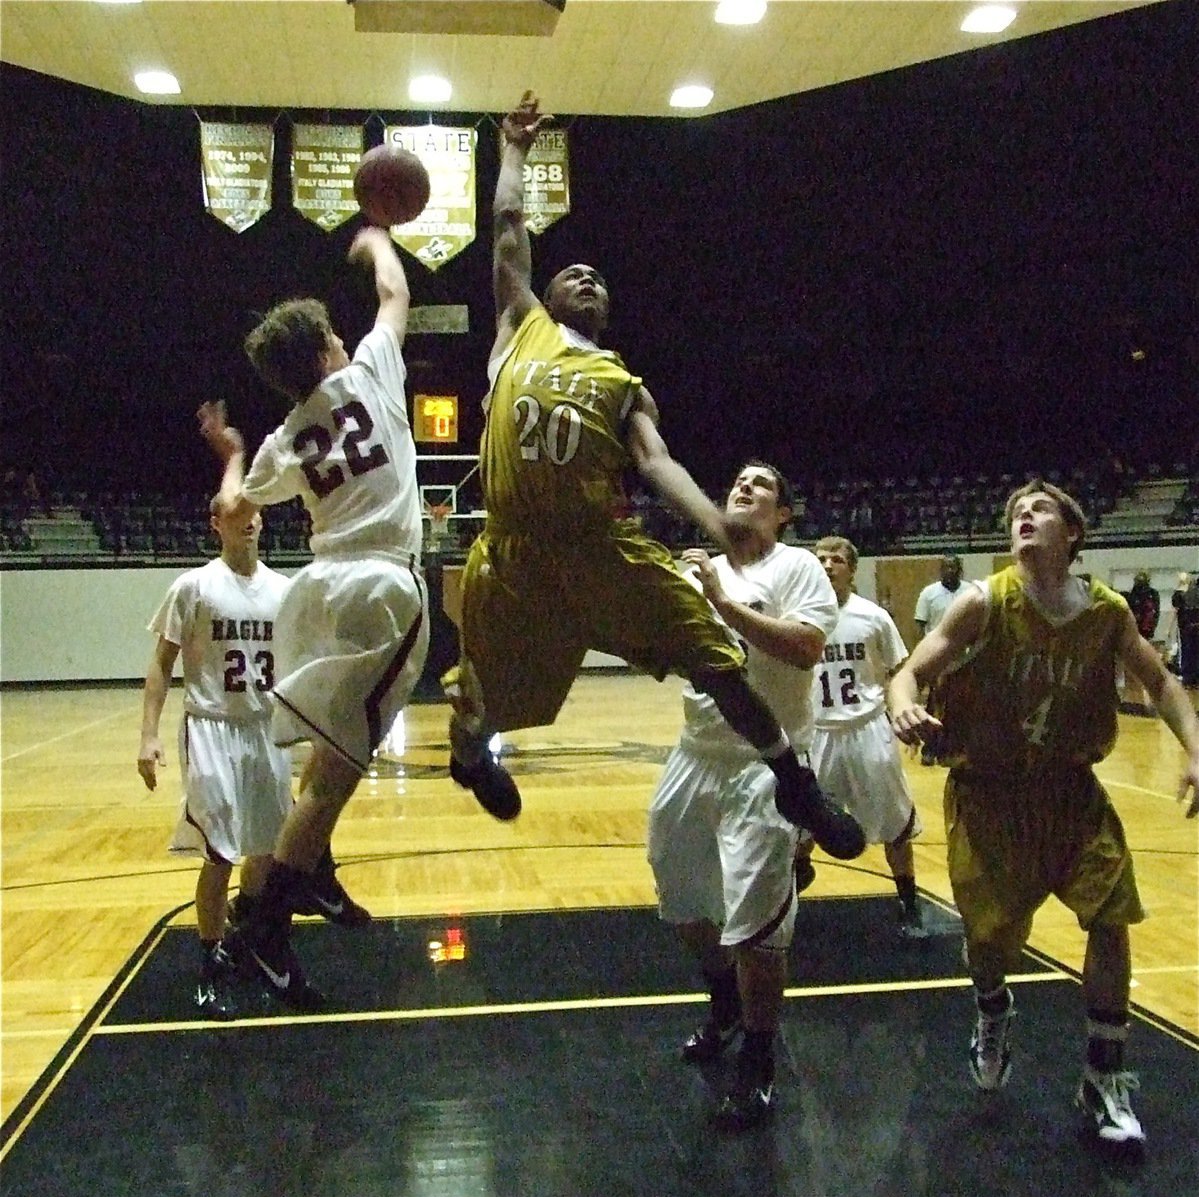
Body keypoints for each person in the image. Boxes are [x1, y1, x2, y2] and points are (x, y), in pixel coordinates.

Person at [442, 92, 863, 866]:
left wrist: (715, 523)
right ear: (543, 295)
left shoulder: (622, 382)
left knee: (713, 653)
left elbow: (655, 461)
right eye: (572, 273)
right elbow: (506, 226)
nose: (586, 277)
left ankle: (794, 782)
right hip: (513, 554)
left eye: (598, 279)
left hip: (601, 547)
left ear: (607, 310)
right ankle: (469, 759)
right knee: (481, 703)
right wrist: (513, 150)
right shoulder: (518, 327)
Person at [889, 479, 1199, 1147]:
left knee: (1111, 917)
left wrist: (1194, 750)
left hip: (1069, 793)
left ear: (1072, 533)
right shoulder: (984, 602)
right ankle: (993, 1007)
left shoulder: (1107, 612)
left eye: (1039, 509)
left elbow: (1161, 682)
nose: (1024, 517)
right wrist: (903, 704)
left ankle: (1103, 1076)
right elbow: (908, 672)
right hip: (989, 797)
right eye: (1016, 514)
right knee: (988, 946)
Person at [195, 224, 429, 1008]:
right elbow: (394, 292)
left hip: (317, 591)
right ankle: (263, 929)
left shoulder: (283, 438)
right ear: (331, 348)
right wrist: (377, 240)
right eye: (334, 335)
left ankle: (315, 871)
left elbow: (235, 506)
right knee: (335, 775)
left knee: (331, 753)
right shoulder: (370, 371)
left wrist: (231, 453)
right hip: (380, 586)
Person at [647, 461, 839, 1130]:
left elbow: (806, 647)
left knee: (756, 921)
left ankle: (758, 1058)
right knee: (676, 896)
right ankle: (724, 997)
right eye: (738, 480)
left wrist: (722, 604)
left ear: (783, 513)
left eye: (761, 484)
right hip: (694, 753)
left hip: (767, 762)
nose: (744, 486)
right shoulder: (696, 569)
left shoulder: (796, 568)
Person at [137, 497, 293, 1019]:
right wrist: (148, 737)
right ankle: (209, 961)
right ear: (215, 525)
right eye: (235, 515)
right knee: (221, 851)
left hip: (265, 728)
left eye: (254, 513)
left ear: (262, 520)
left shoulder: (283, 591)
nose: (247, 521)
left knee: (266, 851)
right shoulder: (194, 587)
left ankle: (243, 937)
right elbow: (161, 665)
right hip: (210, 726)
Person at [804, 536, 925, 936]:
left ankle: (910, 904)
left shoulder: (873, 616)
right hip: (819, 733)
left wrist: (905, 710)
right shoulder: (798, 617)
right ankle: (789, 890)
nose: (827, 565)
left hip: (867, 729)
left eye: (836, 560)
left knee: (895, 823)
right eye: (821, 559)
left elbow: (900, 670)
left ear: (852, 570)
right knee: (801, 823)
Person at [912, 553, 966, 765]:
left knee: (962, 704)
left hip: (964, 657)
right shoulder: (929, 594)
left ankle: (955, 749)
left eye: (954, 567)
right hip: (937, 657)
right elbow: (920, 626)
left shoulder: (970, 591)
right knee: (935, 704)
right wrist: (922, 658)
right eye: (946, 567)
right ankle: (929, 748)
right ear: (940, 570)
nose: (950, 571)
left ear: (960, 570)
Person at [1171, 571, 1199, 687]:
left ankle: (1187, 677)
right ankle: (1194, 677)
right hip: (1192, 625)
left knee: (1187, 651)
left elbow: (1176, 611)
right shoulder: (1192, 593)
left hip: (1186, 626)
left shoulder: (1181, 594)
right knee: (1194, 651)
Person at [1124, 571, 1160, 643]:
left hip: (1143, 625)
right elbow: (1156, 612)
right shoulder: (1133, 594)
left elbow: (1156, 612)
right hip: (1142, 625)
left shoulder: (1152, 594)